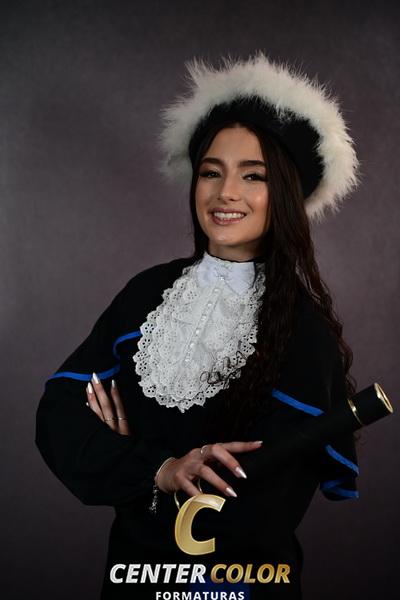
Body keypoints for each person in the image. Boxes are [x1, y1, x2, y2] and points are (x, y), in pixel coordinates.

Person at [35, 51, 361, 599]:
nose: (225, 192)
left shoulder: (304, 336)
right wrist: (161, 469)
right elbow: (57, 416)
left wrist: (129, 469)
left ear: (283, 194)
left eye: (253, 175)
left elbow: (252, 513)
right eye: (211, 172)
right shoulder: (145, 295)